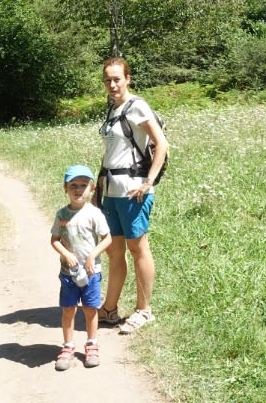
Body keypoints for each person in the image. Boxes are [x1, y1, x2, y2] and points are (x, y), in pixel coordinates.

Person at [96, 57, 169, 335]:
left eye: (117, 78)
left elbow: (161, 143)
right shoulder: (113, 110)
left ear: (128, 78)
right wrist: (98, 187)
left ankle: (144, 310)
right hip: (111, 191)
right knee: (115, 251)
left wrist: (148, 182)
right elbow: (111, 155)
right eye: (107, 80)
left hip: (133, 190)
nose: (112, 84)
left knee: (138, 248)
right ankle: (110, 309)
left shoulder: (137, 106)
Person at [50, 164, 112, 371]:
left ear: (92, 189)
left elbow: (107, 239)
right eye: (73, 185)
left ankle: (92, 344)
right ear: (65, 188)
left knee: (90, 308)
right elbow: (55, 240)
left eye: (84, 185)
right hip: (68, 274)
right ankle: (67, 346)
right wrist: (66, 254)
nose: (78, 189)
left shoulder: (95, 214)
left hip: (91, 273)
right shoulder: (62, 214)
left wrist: (93, 255)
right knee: (68, 309)